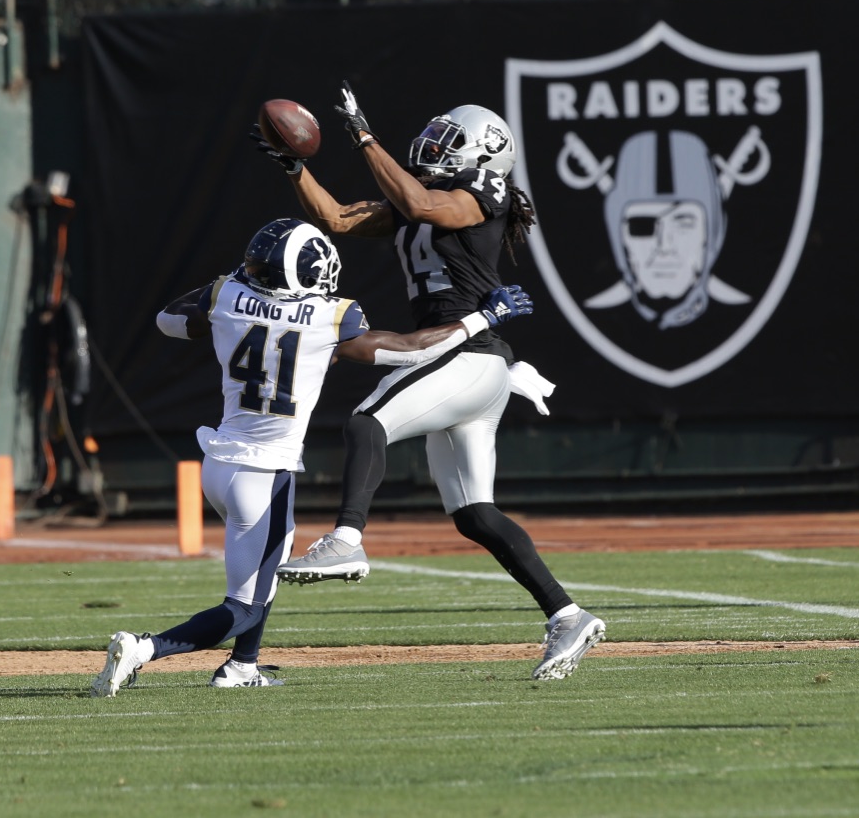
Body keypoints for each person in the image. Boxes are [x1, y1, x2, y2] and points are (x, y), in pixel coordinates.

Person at [90, 216, 532, 696]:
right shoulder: (330, 316)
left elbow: (169, 320)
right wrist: (483, 318)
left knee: (264, 575)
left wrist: (232, 283)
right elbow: (409, 350)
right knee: (244, 607)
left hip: (219, 462)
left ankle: (242, 667)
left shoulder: (225, 295)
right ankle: (144, 648)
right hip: (265, 472)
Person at [259, 83, 606, 682]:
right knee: (475, 514)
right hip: (468, 362)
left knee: (367, 422)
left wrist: (363, 136)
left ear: (484, 154)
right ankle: (568, 615)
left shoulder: (483, 194)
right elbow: (336, 217)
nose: (433, 145)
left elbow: (422, 205)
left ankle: (346, 538)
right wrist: (294, 166)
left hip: (466, 351)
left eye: (450, 140)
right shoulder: (418, 198)